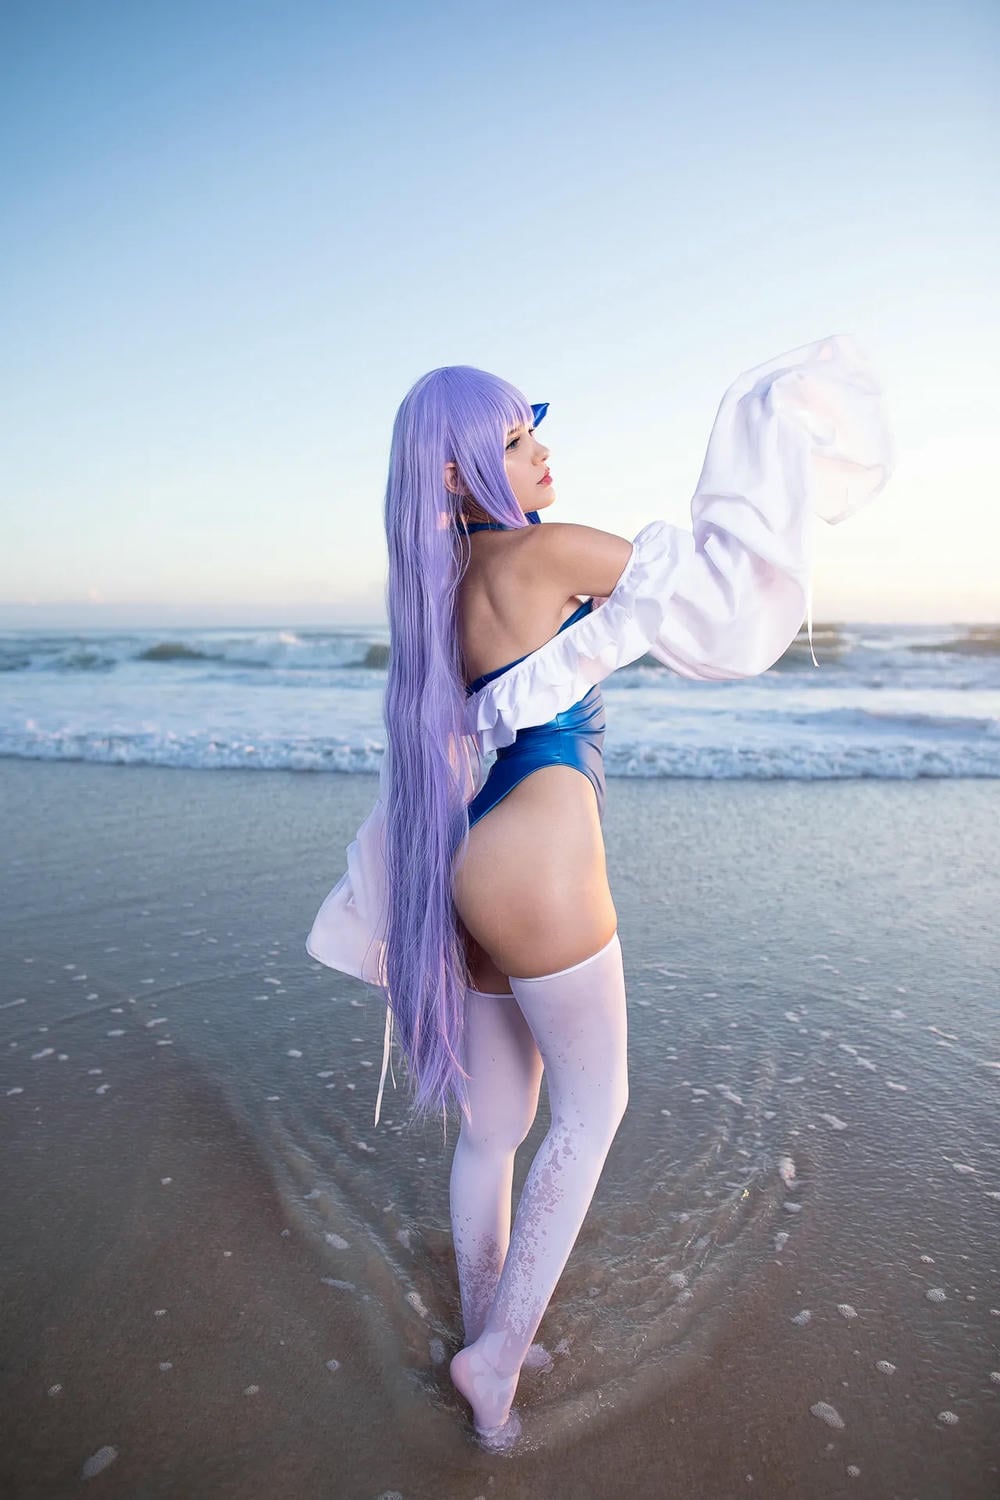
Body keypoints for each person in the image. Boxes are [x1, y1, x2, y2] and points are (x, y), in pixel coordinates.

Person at [306, 334, 895, 1448]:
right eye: (514, 440)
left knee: (494, 1131)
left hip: (471, 850)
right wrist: (770, 440)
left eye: (532, 432)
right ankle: (494, 1359)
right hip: (538, 847)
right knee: (593, 1110)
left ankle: (491, 1331)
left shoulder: (439, 588)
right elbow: (720, 607)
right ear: (456, 472)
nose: (541, 453)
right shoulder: (547, 553)